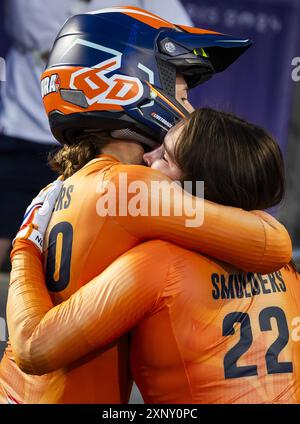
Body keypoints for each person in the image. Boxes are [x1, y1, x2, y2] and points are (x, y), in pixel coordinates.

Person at [0, 8, 292, 403]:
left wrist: (25, 244)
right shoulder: (133, 187)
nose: (190, 113)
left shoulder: (71, 183)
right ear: (128, 87)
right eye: (184, 96)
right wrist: (23, 248)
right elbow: (271, 245)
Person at [0, 0, 193, 269]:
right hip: (26, 127)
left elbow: (181, 40)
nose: (189, 109)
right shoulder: (134, 179)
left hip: (102, 131)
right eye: (183, 98)